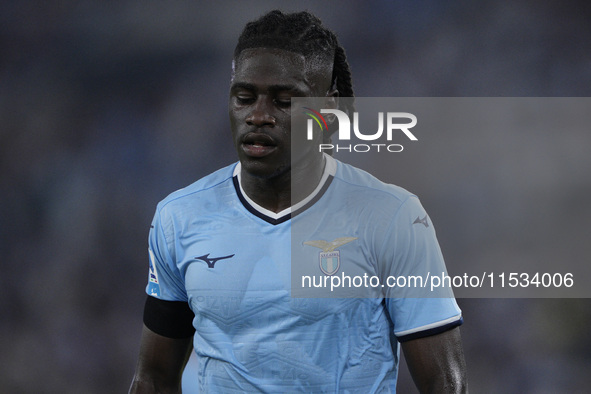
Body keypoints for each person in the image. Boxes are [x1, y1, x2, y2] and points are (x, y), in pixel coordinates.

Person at [130, 10, 467, 393]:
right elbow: (153, 378)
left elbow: (444, 383)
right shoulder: (180, 217)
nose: (258, 116)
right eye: (244, 97)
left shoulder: (392, 217)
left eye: (284, 102)